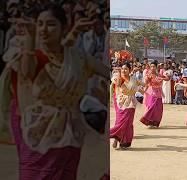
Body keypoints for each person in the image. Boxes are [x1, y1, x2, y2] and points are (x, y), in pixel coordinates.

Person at [0, 4, 109, 179]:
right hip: (35, 130)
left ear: (63, 28)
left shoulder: (77, 58)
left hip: (69, 132)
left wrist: (111, 93)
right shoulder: (26, 53)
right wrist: (30, 36)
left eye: (50, 24)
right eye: (40, 24)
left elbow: (108, 72)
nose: (44, 29)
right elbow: (27, 72)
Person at [110, 62, 145, 149]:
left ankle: (123, 141)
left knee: (128, 122)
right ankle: (114, 137)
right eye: (122, 69)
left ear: (129, 70)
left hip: (131, 103)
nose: (124, 70)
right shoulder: (117, 78)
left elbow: (143, 85)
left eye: (126, 69)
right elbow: (117, 85)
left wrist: (143, 89)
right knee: (120, 121)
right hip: (120, 102)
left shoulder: (134, 79)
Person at [140, 60, 170, 128]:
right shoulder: (149, 75)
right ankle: (148, 121)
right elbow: (145, 84)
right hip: (151, 93)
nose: (152, 68)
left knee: (158, 109)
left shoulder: (159, 75)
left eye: (154, 66)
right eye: (151, 66)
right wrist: (143, 89)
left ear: (156, 67)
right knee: (151, 107)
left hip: (158, 93)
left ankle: (154, 122)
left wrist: (168, 76)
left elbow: (167, 79)